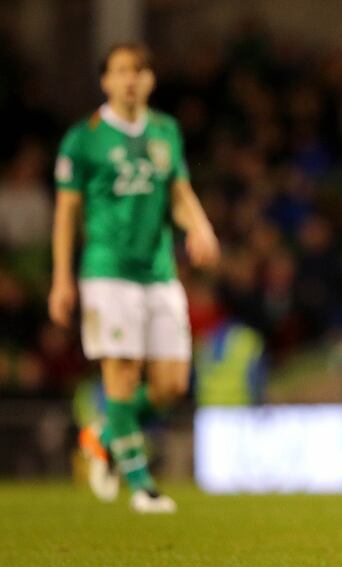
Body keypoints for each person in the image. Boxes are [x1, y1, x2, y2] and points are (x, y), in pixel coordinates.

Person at [49, 43, 220, 513]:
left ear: (150, 80)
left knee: (171, 385)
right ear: (105, 81)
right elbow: (67, 213)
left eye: (138, 71)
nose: (130, 79)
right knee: (121, 374)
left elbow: (179, 191)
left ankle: (103, 435)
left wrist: (200, 227)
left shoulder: (166, 131)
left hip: (159, 271)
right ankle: (142, 485)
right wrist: (62, 277)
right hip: (108, 271)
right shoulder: (84, 139)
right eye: (120, 71)